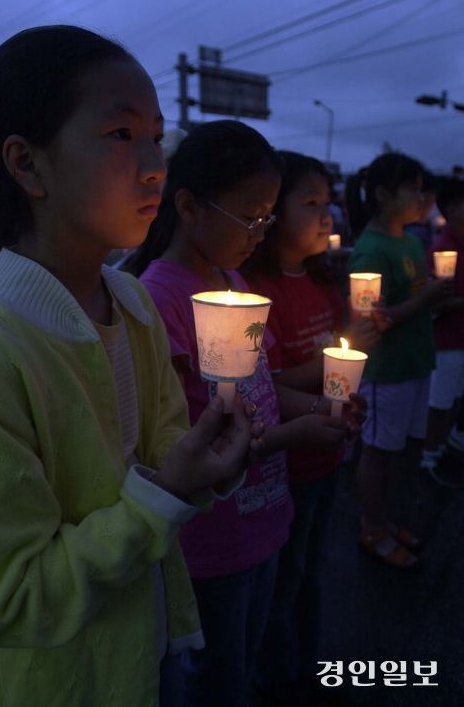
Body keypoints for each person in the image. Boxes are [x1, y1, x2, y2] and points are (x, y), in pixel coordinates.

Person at [0, 25, 265, 707]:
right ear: (27, 163)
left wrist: (211, 456)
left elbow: (160, 453)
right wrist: (166, 494)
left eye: (157, 134)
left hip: (149, 641)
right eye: (121, 135)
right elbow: (12, 599)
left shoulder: (129, 299)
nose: (157, 162)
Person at [131, 123, 358, 707]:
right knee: (216, 678)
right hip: (213, 535)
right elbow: (192, 447)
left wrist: (320, 408)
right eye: (249, 217)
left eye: (266, 219)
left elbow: (257, 386)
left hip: (264, 514)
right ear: (188, 206)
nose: (260, 232)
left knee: (249, 657)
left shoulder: (232, 282)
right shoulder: (161, 300)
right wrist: (294, 435)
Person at [241, 151, 376, 704]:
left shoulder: (322, 279)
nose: (328, 215)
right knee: (282, 581)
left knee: (311, 574)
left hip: (327, 453)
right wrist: (332, 368)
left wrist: (361, 341)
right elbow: (264, 379)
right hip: (284, 462)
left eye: (330, 203)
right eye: (311, 203)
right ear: (273, 214)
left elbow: (337, 359)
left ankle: (311, 666)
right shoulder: (253, 288)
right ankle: (277, 680)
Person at [349, 152, 451, 570]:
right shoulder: (371, 250)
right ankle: (371, 529)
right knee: (377, 453)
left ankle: (385, 522)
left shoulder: (411, 240)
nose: (425, 197)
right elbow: (373, 321)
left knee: (398, 452)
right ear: (383, 194)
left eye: (426, 188)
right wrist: (426, 299)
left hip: (414, 363)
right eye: (415, 188)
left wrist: (432, 298)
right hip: (386, 372)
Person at [421, 178, 464, 486]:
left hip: (460, 340)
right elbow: (432, 305)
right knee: (440, 402)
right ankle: (428, 457)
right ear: (451, 209)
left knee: (453, 400)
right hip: (446, 343)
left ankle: (442, 447)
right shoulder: (442, 250)